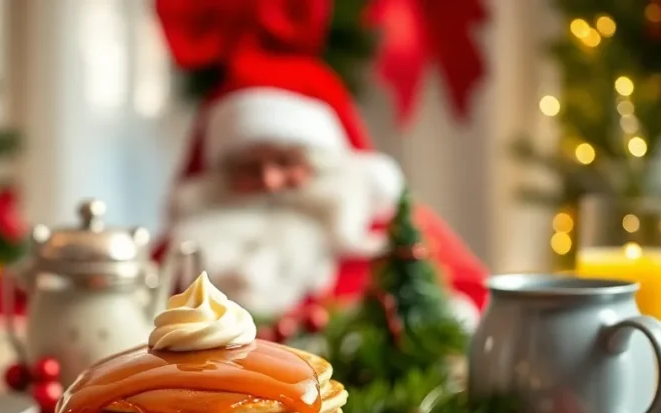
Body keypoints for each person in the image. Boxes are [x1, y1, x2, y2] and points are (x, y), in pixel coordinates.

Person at [156, 6, 488, 328]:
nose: (270, 181)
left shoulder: (398, 234)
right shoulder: (177, 261)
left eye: (287, 162)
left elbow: (475, 302)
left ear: (327, 163)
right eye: (247, 168)